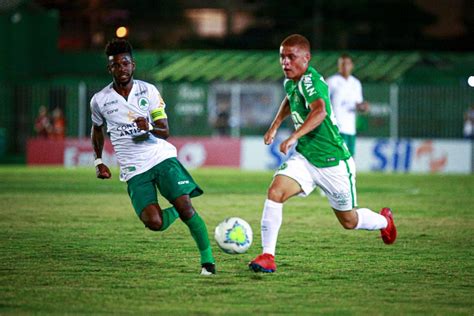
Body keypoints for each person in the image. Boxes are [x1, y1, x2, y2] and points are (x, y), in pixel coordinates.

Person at [249, 34, 397, 273]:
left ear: (306, 58)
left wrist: (294, 136)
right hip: (306, 159)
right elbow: (290, 99)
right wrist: (275, 125)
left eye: (291, 57)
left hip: (334, 163)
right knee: (275, 192)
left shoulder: (312, 80)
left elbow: (320, 112)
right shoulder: (291, 81)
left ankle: (384, 221)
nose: (285, 62)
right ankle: (267, 256)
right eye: (282, 57)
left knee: (348, 221)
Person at [90, 38, 215, 275]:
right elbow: (97, 130)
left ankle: (208, 262)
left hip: (160, 157)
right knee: (154, 222)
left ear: (133, 65)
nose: (121, 68)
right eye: (116, 65)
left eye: (125, 63)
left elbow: (164, 131)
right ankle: (181, 202)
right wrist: (98, 161)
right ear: (110, 69)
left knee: (187, 210)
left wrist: (147, 127)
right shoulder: (100, 100)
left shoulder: (149, 91)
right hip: (134, 169)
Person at [326, 54, 369, 156]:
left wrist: (363, 107)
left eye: (347, 64)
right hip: (335, 127)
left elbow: (358, 104)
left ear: (352, 66)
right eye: (342, 64)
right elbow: (322, 102)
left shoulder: (356, 83)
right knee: (337, 159)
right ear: (339, 66)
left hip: (350, 127)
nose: (345, 66)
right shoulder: (331, 82)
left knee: (349, 159)